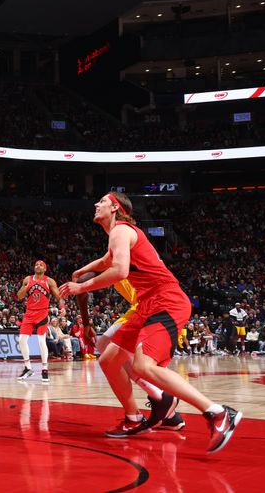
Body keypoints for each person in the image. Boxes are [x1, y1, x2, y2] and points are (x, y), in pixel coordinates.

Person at [59, 192, 241, 453]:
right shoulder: (119, 235)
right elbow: (106, 261)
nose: (96, 204)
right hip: (146, 305)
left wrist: (82, 286)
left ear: (115, 207)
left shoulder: (121, 229)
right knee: (108, 359)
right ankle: (133, 418)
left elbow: (119, 270)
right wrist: (79, 272)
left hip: (165, 301)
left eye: (101, 201)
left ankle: (217, 413)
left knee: (143, 366)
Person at [93, 279, 185, 431]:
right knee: (107, 348)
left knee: (110, 353)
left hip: (148, 306)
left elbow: (113, 272)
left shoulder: (121, 261)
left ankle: (158, 397)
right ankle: (169, 414)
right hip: (144, 305)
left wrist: (82, 282)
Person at [16, 261, 66, 384]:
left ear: (45, 268)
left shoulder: (49, 281)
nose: (37, 266)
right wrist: (25, 286)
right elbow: (19, 296)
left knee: (41, 340)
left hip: (42, 314)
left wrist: (62, 307)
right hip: (29, 314)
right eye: (36, 264)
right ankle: (28, 368)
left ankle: (44, 369)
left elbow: (59, 297)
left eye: (41, 265)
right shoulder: (28, 279)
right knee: (22, 340)